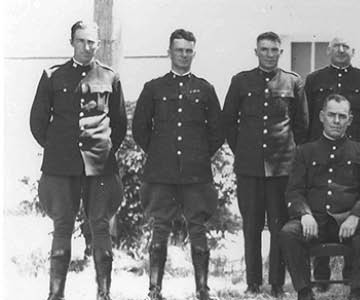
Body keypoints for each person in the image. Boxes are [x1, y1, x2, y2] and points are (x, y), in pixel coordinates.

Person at [30, 20, 127, 300]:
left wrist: (102, 150)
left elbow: (118, 125)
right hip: (62, 167)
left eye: (92, 42)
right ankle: (55, 294)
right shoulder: (53, 76)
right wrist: (59, 150)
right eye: (81, 41)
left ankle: (104, 293)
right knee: (62, 226)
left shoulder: (110, 77)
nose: (87, 47)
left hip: (100, 167)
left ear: (98, 44)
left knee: (100, 226)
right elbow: (38, 122)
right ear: (72, 42)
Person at [133, 29, 222, 300]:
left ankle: (202, 289)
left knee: (198, 230)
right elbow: (139, 128)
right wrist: (161, 154)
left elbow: (217, 131)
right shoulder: (154, 88)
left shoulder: (205, 89)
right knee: (160, 229)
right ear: (169, 52)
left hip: (196, 175)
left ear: (193, 53)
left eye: (188, 50)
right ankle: (154, 289)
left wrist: (198, 156)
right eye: (179, 50)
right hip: (162, 173)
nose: (183, 55)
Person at [220, 31, 308, 296]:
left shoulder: (293, 82)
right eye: (264, 49)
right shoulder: (241, 81)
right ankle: (253, 282)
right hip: (250, 169)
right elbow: (228, 122)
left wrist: (290, 158)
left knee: (281, 226)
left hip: (282, 169)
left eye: (274, 50)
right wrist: (246, 152)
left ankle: (277, 284)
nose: (269, 54)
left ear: (281, 53)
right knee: (251, 226)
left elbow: (302, 126)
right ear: (256, 52)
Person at [279, 94, 360, 300]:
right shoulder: (305, 152)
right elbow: (294, 191)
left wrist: (355, 216)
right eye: (331, 115)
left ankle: (358, 291)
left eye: (342, 116)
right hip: (315, 222)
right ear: (321, 116)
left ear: (350, 120)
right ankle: (304, 291)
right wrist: (304, 214)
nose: (336, 121)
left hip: (348, 222)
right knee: (288, 232)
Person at [303, 36, 360, 291]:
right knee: (321, 206)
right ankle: (322, 273)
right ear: (328, 50)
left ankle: (351, 273)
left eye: (346, 46)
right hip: (320, 155)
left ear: (353, 51)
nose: (341, 50)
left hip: (355, 158)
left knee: (351, 209)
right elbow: (305, 119)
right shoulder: (314, 79)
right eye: (336, 46)